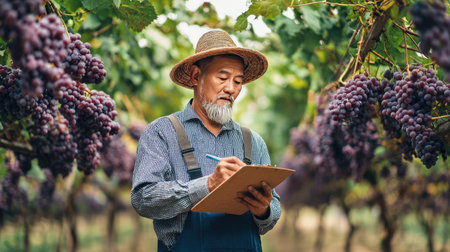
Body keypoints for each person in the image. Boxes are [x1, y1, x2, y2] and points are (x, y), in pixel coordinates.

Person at [131, 29, 281, 251]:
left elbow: (274, 209)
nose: (231, 89)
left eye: (238, 81)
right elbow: (143, 199)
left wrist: (264, 209)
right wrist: (207, 185)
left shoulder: (252, 141)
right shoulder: (162, 132)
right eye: (222, 78)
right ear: (195, 76)